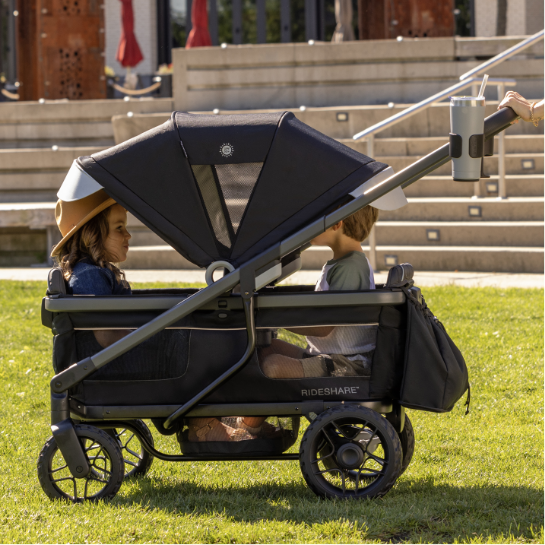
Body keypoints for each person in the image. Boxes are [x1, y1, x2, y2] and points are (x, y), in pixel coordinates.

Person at [52, 188, 247, 442]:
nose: (128, 235)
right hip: (117, 368)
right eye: (119, 228)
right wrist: (157, 329)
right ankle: (204, 425)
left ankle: (209, 417)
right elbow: (106, 336)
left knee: (200, 334)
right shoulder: (89, 276)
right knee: (199, 340)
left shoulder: (97, 272)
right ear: (91, 234)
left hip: (125, 361)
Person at [235, 205, 380, 437]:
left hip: (346, 365)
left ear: (336, 224)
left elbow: (324, 327)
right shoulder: (342, 263)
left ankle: (245, 430)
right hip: (329, 357)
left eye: (316, 221)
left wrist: (274, 319)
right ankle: (250, 420)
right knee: (265, 347)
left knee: (272, 366)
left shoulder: (350, 268)